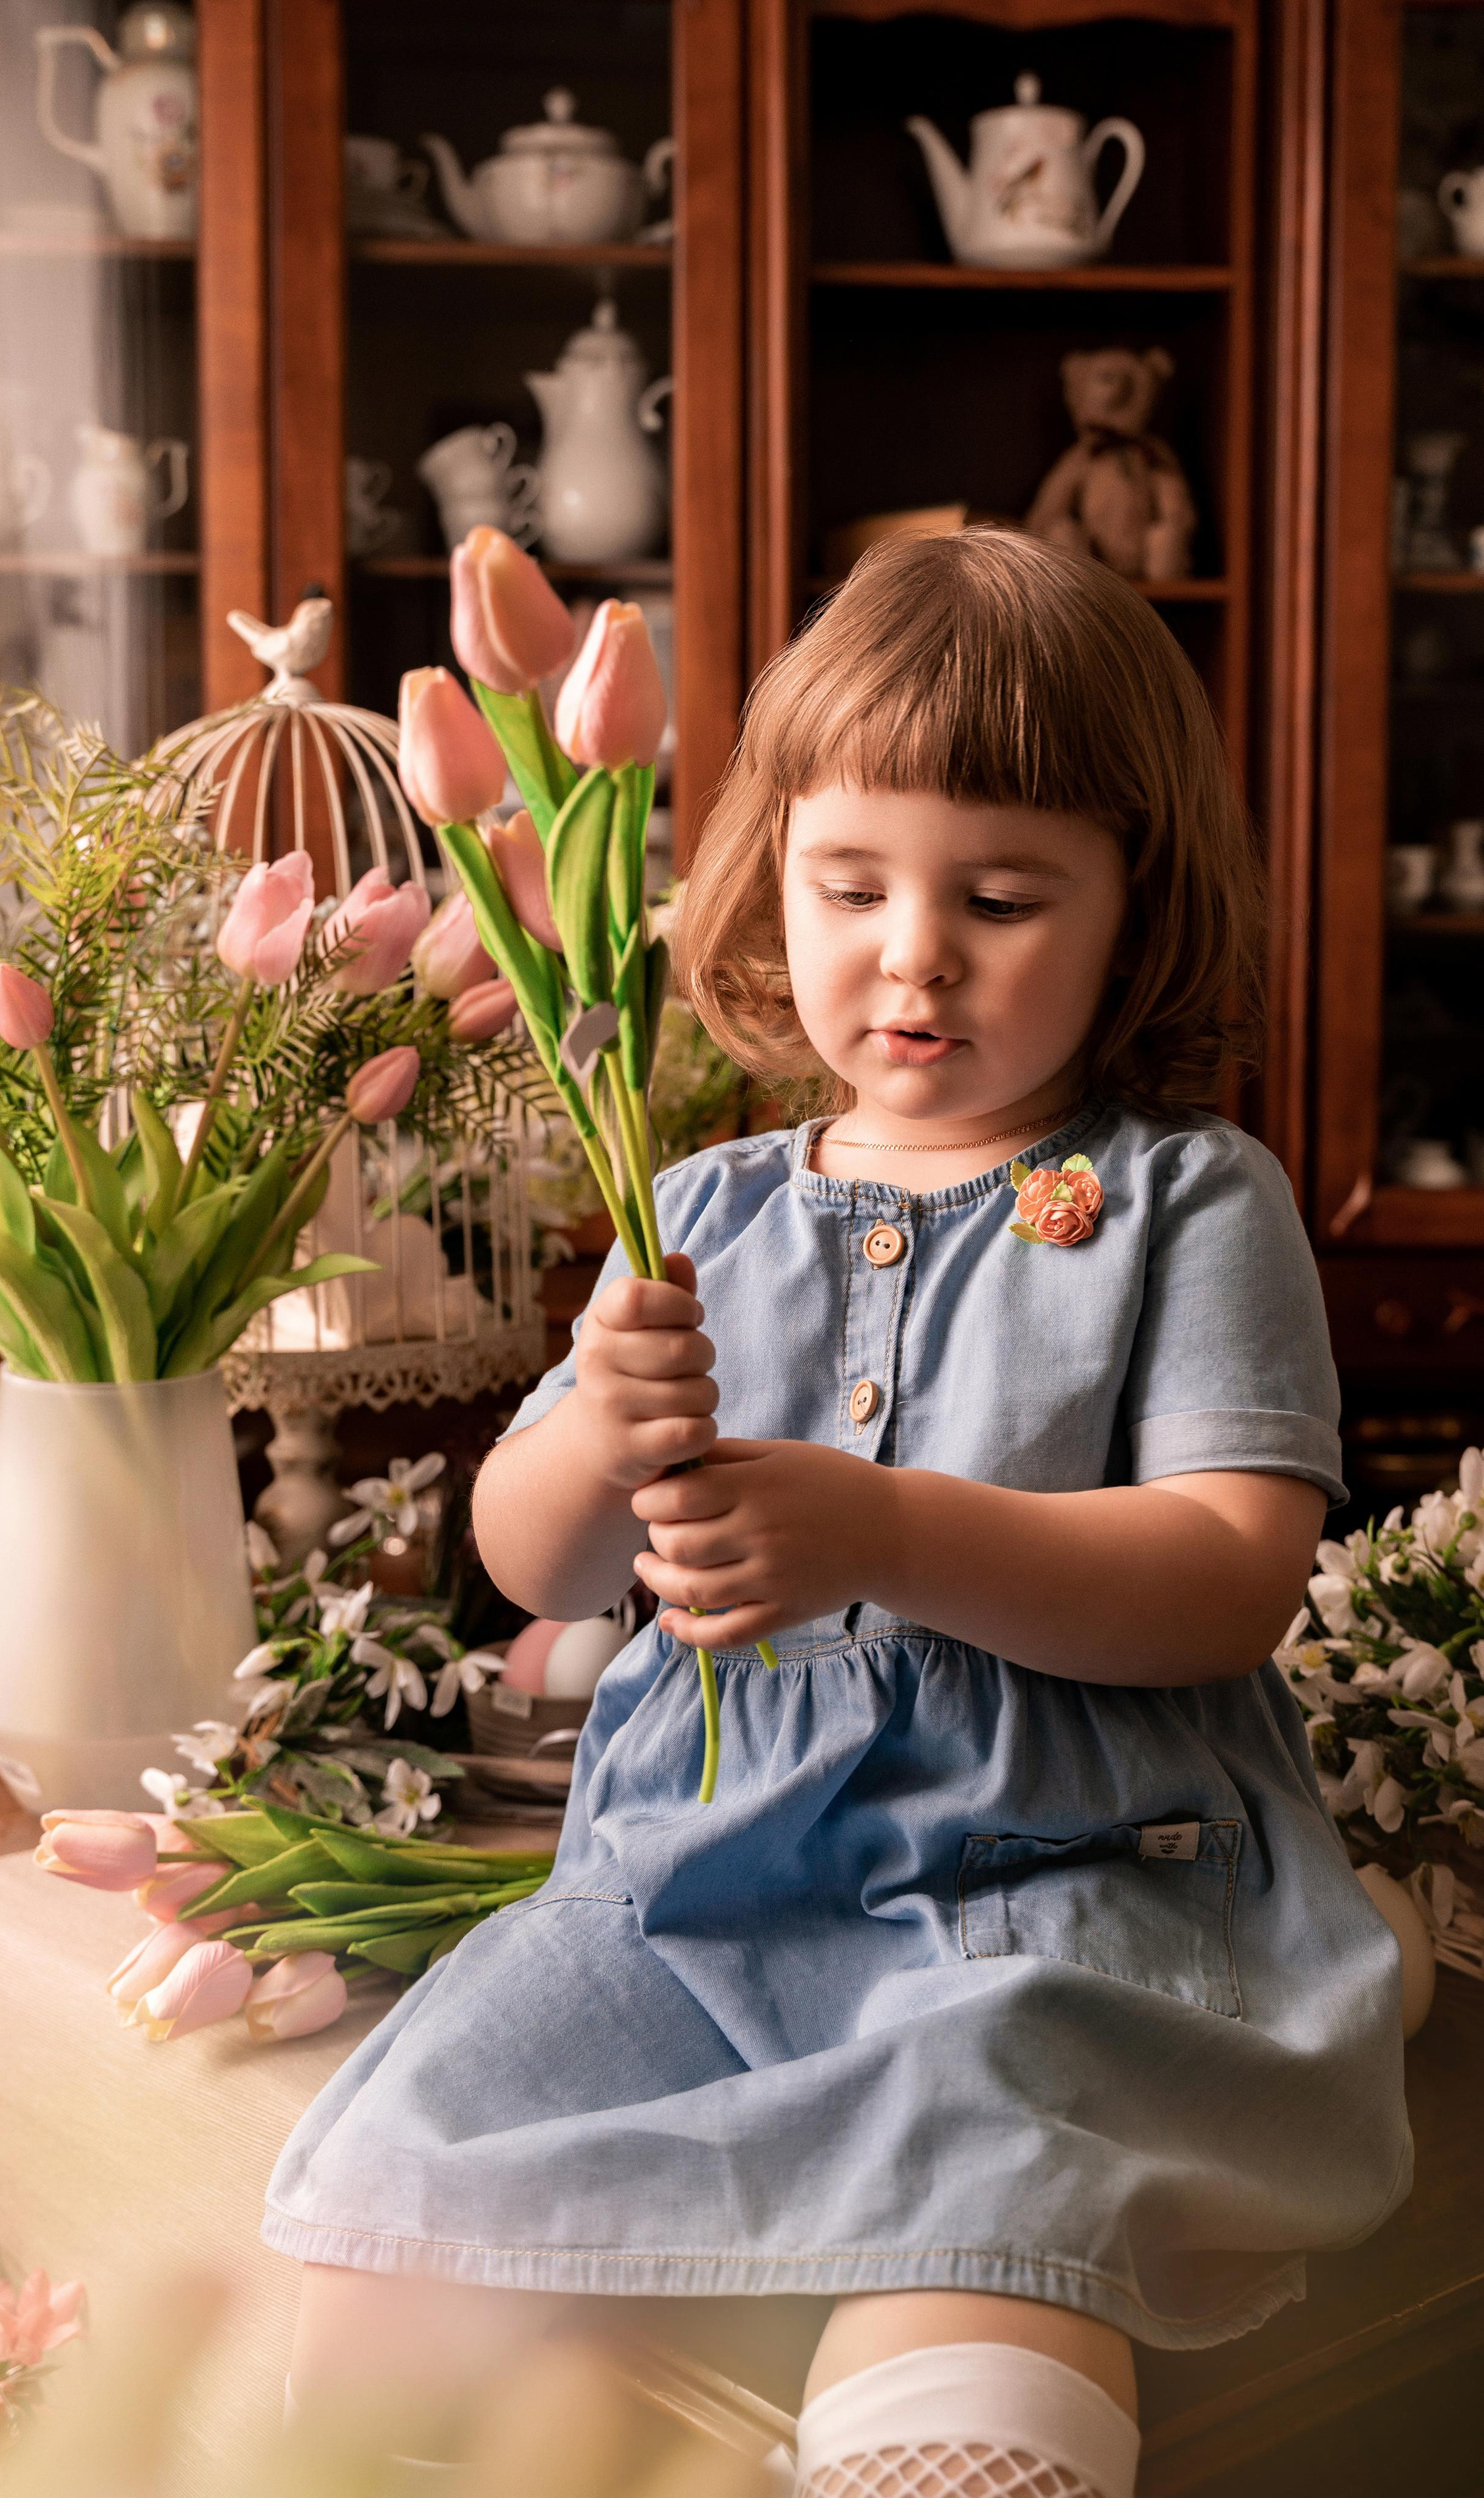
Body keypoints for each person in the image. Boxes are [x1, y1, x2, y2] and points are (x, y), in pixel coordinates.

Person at [266, 531, 1411, 2498]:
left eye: (1002, 895)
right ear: (766, 876)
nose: (914, 952)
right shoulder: (696, 1207)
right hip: (692, 1891)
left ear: (1133, 915)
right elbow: (535, 1567)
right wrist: (591, 1441)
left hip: (1057, 1888)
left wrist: (883, 1533)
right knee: (402, 2185)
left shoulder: (1185, 1199)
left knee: (988, 2201)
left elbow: (1231, 1579)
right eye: (850, 883)